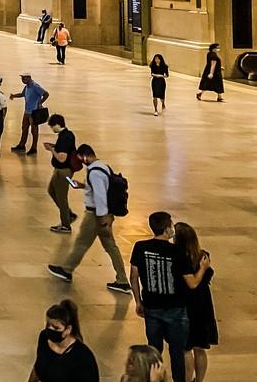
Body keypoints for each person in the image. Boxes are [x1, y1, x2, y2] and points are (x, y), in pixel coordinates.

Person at [47, 144, 131, 293]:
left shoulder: (94, 172)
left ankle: (67, 270)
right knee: (111, 246)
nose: (80, 162)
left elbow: (100, 196)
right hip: (102, 214)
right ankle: (123, 280)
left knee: (82, 243)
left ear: (85, 156)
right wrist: (83, 186)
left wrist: (102, 218)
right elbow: (100, 188)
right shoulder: (102, 166)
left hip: (96, 216)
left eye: (80, 158)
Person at [129, 212, 196, 382]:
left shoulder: (140, 247)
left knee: (154, 352)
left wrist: (138, 301)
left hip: (151, 307)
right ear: (167, 229)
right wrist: (203, 268)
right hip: (176, 309)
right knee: (177, 353)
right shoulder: (178, 252)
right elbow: (192, 283)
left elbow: (134, 277)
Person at [173, 222, 216, 382]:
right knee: (200, 348)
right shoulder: (203, 256)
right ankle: (199, 380)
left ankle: (187, 379)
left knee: (186, 348)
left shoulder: (177, 257)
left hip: (186, 305)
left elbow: (192, 284)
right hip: (203, 306)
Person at [27, 300, 99, 382]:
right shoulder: (44, 337)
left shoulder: (83, 357)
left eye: (56, 328)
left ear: (68, 329)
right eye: (48, 324)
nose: (50, 329)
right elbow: (37, 367)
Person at [44, 114, 80, 233]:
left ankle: (66, 224)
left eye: (52, 126)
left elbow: (61, 158)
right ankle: (68, 214)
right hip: (60, 171)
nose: (52, 129)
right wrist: (54, 146)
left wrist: (51, 149)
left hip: (63, 172)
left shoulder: (64, 137)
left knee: (61, 197)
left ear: (58, 125)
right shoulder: (67, 135)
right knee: (51, 191)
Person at [11, 73, 50, 154]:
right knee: (24, 128)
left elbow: (46, 94)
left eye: (24, 78)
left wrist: (40, 103)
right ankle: (22, 145)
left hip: (34, 112)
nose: (22, 80)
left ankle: (34, 148)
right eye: (22, 78)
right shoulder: (27, 87)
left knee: (34, 130)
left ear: (29, 78)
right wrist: (14, 96)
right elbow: (22, 94)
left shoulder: (35, 86)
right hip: (27, 112)